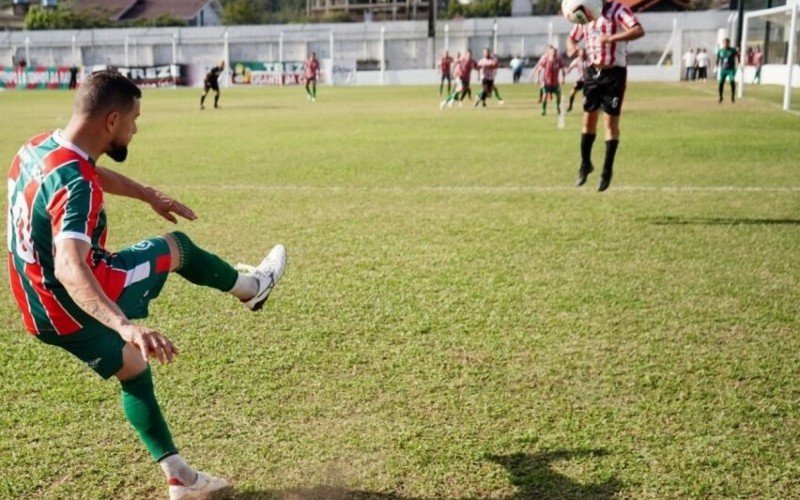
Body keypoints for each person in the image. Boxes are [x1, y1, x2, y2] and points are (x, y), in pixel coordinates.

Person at [6, 70, 287, 499]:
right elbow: (69, 265)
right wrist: (125, 325)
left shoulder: (37, 146)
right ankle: (253, 288)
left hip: (33, 300)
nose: (136, 129)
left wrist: (148, 194)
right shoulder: (76, 182)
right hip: (69, 295)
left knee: (133, 369)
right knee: (176, 248)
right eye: (135, 120)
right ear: (112, 120)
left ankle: (181, 479)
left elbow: (90, 175)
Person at [567, 0, 645, 192]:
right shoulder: (586, 13)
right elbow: (572, 39)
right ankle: (585, 164)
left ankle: (607, 170)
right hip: (593, 73)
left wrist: (611, 38)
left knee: (610, 124)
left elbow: (638, 30)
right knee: (587, 122)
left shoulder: (618, 10)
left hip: (614, 73)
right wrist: (575, 49)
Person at [535, 46, 566, 116]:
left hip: (555, 83)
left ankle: (558, 108)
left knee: (558, 95)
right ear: (550, 52)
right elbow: (539, 69)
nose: (554, 53)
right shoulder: (546, 60)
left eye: (555, 52)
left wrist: (563, 78)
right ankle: (543, 110)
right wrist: (537, 79)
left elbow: (563, 69)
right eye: (552, 52)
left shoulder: (558, 60)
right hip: (546, 82)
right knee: (545, 96)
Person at [716, 38, 739, 103]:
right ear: (723, 43)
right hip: (723, 69)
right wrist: (716, 65)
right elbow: (718, 58)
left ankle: (732, 97)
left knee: (732, 81)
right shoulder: (720, 50)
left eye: (727, 43)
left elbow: (738, 55)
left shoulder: (732, 50)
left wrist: (739, 63)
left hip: (731, 69)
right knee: (721, 83)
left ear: (729, 43)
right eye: (724, 43)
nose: (725, 44)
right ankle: (720, 97)